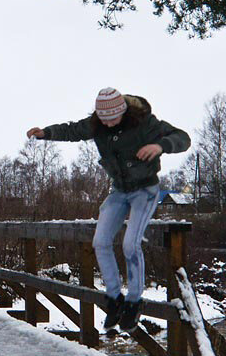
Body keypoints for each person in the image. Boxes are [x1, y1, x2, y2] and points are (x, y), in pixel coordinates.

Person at [27, 88, 190, 331]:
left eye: (112, 119)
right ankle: (115, 298)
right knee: (100, 242)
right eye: (104, 119)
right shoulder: (98, 124)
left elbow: (182, 138)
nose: (108, 124)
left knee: (130, 244)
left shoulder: (144, 122)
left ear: (123, 112)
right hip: (119, 191)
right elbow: (73, 130)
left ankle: (134, 302)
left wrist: (160, 145)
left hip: (145, 190)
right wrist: (45, 133)